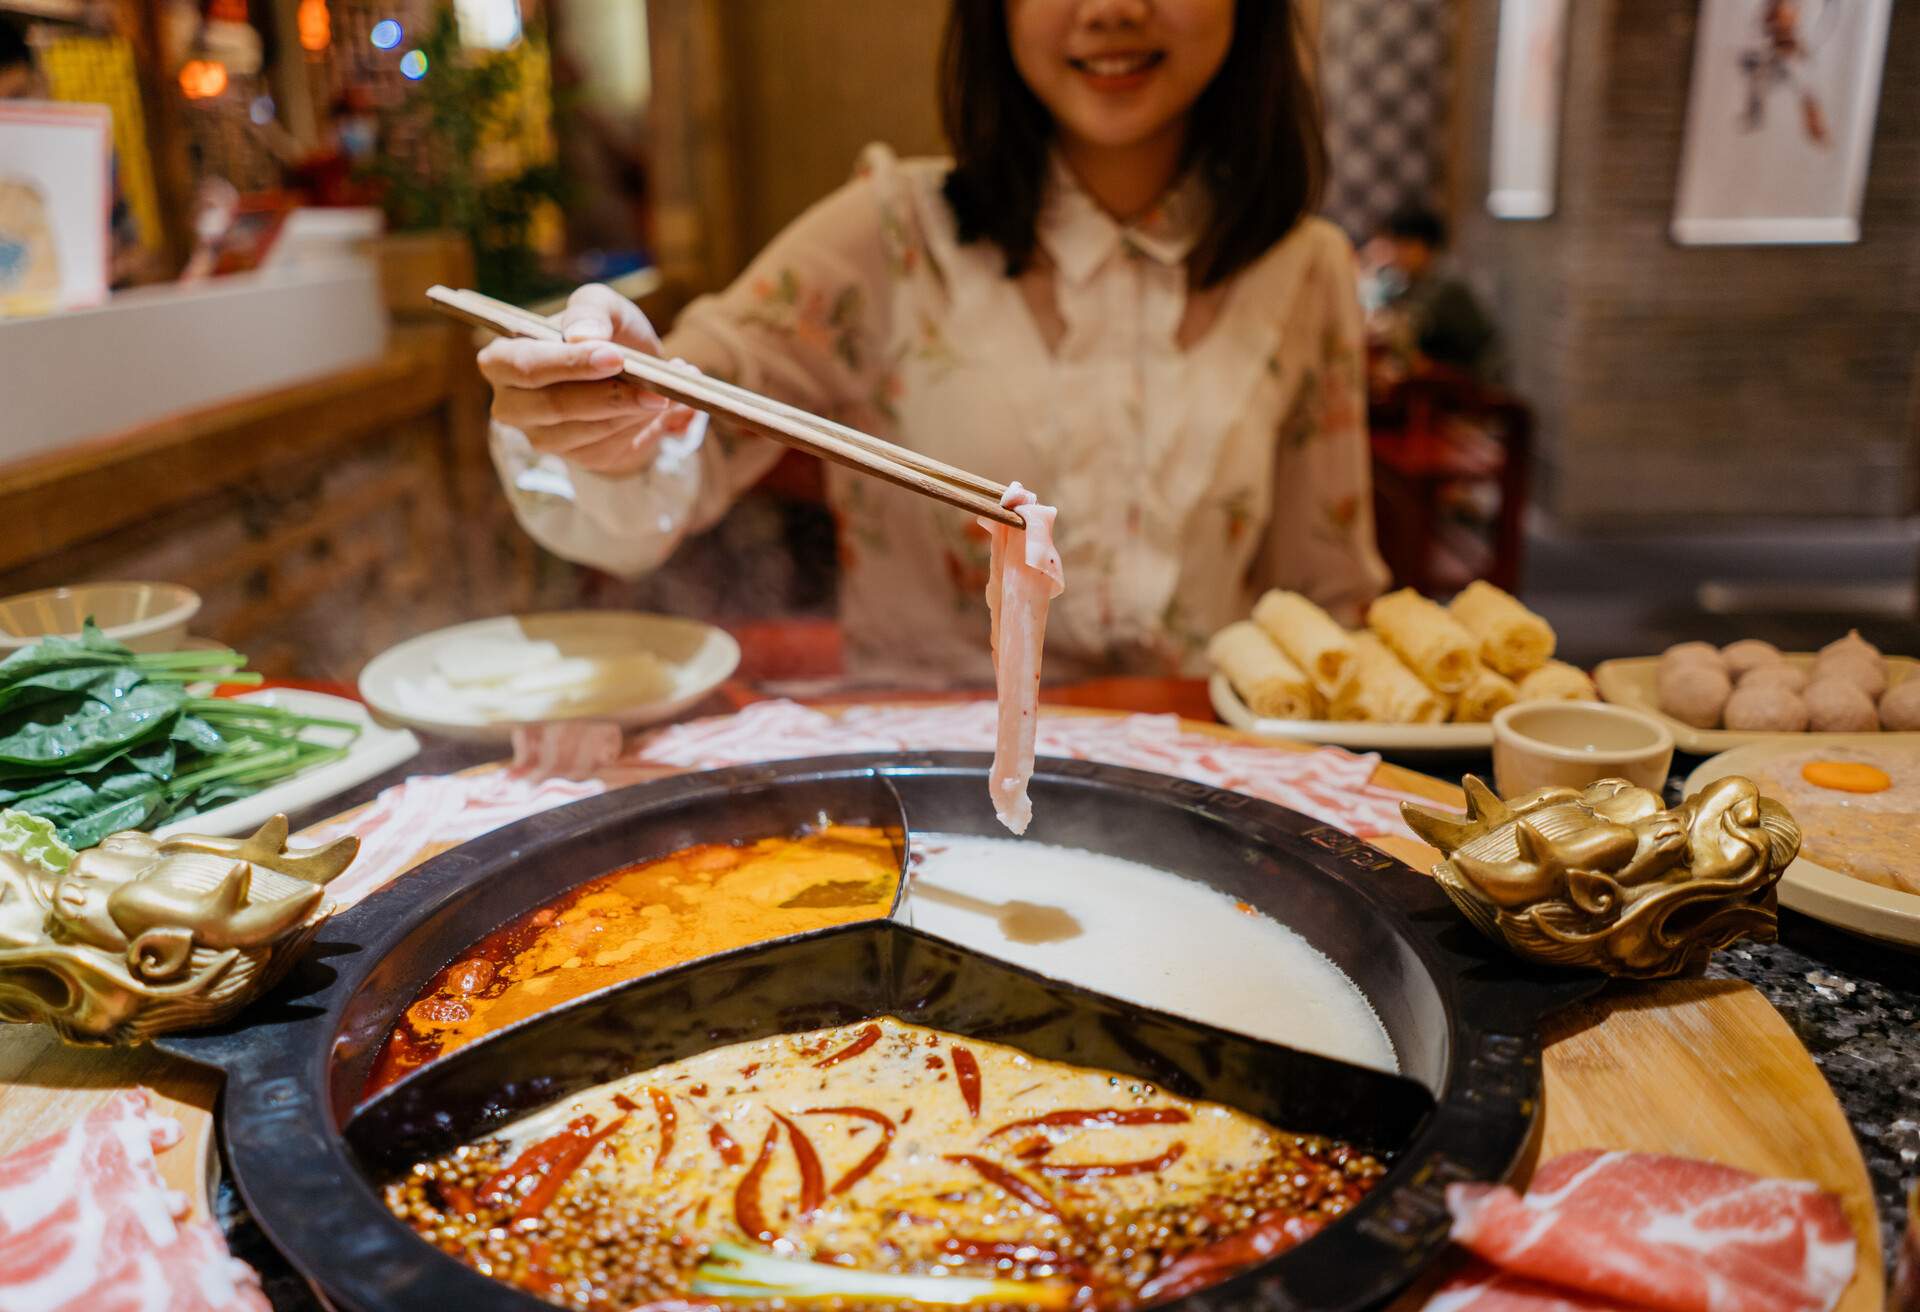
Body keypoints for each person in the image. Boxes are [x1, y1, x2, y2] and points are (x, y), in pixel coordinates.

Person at [479, 0, 1388, 684]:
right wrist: (611, 402)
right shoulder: (892, 231)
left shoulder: (1303, 268)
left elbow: (1324, 607)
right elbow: (687, 420)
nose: (1110, 9)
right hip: (922, 795)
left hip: (1198, 797)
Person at [1361, 205, 1501, 385]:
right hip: (1431, 383)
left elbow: (1410, 329)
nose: (1395, 253)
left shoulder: (1447, 286)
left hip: (1461, 387)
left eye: (1403, 245)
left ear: (1425, 246)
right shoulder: (1407, 285)